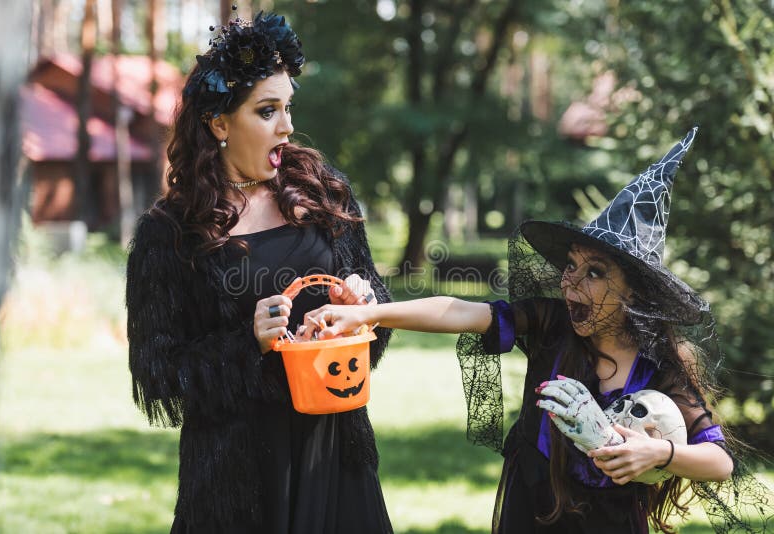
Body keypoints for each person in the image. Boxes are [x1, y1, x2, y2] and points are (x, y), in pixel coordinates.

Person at [303, 128, 770, 533]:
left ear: (635, 293)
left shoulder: (660, 366)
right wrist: (372, 315)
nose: (571, 281)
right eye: (571, 266)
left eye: (595, 273)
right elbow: (462, 312)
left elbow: (720, 462)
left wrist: (658, 454)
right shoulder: (553, 326)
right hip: (532, 517)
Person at [126, 10, 393, 533]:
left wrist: (366, 308)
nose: (288, 126)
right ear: (220, 123)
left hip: (335, 454)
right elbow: (155, 376)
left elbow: (372, 312)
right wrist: (248, 342)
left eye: (288, 108)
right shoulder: (170, 232)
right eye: (267, 110)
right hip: (236, 476)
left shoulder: (323, 193)